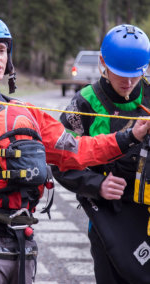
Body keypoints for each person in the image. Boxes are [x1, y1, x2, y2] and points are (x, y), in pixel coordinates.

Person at [0, 14, 150, 284]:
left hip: (22, 239)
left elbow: (77, 150)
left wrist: (130, 136)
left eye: (2, 50)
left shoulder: (27, 112)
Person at [52, 24, 150, 284]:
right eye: (120, 73)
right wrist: (96, 185)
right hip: (107, 214)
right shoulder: (83, 104)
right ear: (102, 62)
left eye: (135, 74)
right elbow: (59, 160)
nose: (128, 83)